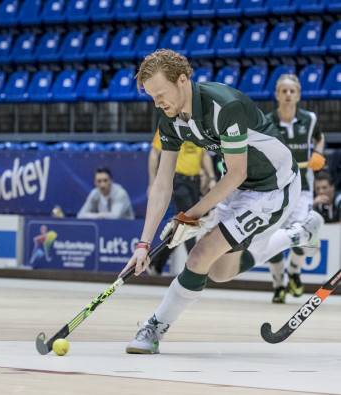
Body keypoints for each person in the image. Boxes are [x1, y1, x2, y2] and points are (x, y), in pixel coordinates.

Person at [119, 49, 323, 355]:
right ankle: (297, 234)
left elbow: (238, 172)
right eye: (151, 97)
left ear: (183, 81)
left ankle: (154, 328)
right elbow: (162, 184)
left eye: (160, 94)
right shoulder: (171, 120)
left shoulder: (223, 106)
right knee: (219, 272)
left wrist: (192, 215)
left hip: (273, 186)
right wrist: (143, 244)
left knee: (200, 255)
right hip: (236, 187)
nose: (157, 103)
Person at [266, 74, 325, 303]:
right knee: (273, 239)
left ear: (298, 95)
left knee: (301, 235)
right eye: (284, 91)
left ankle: (294, 274)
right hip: (274, 190)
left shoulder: (309, 119)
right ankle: (278, 286)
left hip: (303, 188)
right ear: (277, 95)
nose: (288, 95)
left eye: (292, 91)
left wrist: (318, 153)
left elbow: (318, 138)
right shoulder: (267, 121)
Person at [147, 129, 217, 275]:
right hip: (178, 181)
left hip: (195, 181)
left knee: (182, 226)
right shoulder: (169, 126)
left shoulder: (197, 126)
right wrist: (152, 183)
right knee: (189, 222)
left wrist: (211, 177)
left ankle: (156, 262)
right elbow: (154, 154)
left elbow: (204, 154)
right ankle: (195, 269)